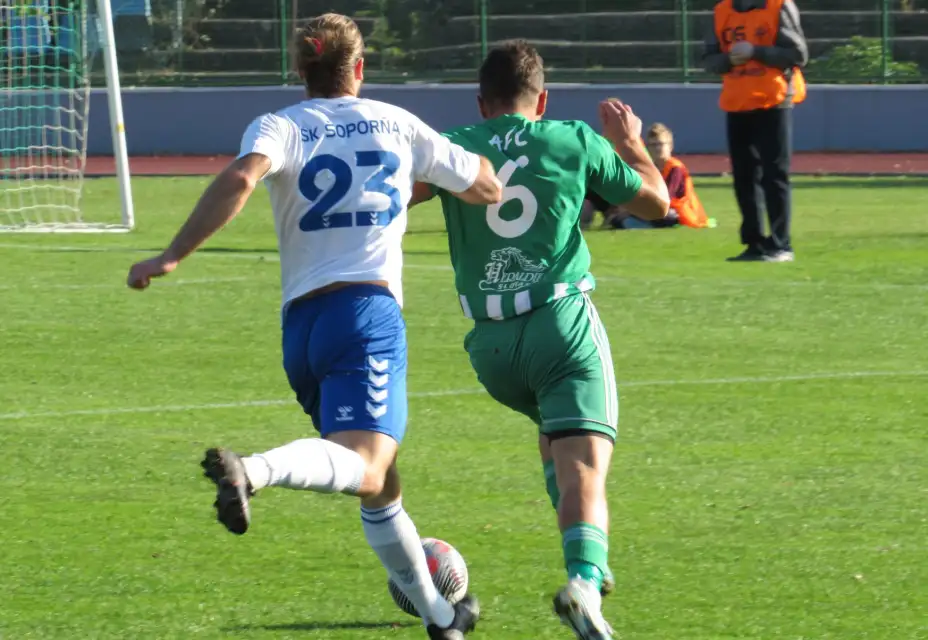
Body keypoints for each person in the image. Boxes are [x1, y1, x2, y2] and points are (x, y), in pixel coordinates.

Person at [125, 13, 501, 640]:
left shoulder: (279, 125)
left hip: (301, 327)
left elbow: (242, 178)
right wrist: (414, 180)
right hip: (365, 317)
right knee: (368, 465)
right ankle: (256, 471)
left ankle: (444, 619)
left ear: (300, 70)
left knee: (381, 485)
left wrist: (171, 255)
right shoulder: (399, 123)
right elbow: (485, 187)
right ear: (360, 67)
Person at [410, 41, 670, 640]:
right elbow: (658, 206)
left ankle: (587, 558)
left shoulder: (456, 147)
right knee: (584, 463)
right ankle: (584, 580)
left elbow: (397, 195)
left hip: (492, 347)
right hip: (559, 323)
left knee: (556, 442)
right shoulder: (574, 139)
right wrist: (631, 143)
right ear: (543, 99)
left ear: (481, 102)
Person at [703, 0, 808, 262]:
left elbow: (798, 54)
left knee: (775, 174)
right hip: (737, 102)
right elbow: (708, 58)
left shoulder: (778, 7)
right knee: (744, 177)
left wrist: (755, 51)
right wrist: (728, 59)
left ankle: (781, 243)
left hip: (774, 100)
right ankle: (754, 242)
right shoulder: (722, 12)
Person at [584, 123, 713, 231]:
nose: (657, 149)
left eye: (661, 144)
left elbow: (664, 200)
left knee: (665, 215)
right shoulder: (651, 167)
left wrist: (630, 210)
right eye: (653, 145)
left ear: (670, 146)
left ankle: (634, 222)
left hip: (678, 213)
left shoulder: (675, 168)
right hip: (656, 210)